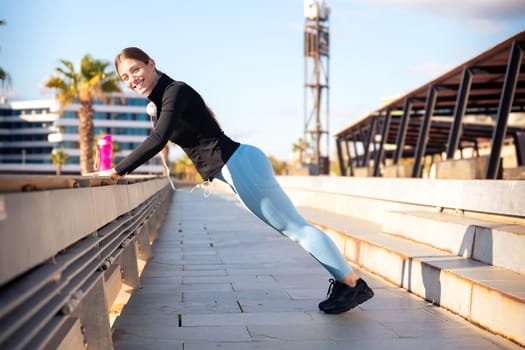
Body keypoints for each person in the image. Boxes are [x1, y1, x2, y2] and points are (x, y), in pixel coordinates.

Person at [97, 47, 374, 314]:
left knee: (296, 228)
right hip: (237, 166)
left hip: (240, 165)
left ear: (150, 64)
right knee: (293, 228)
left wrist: (117, 170)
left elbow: (158, 140)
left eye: (136, 69)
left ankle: (352, 285)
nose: (132, 79)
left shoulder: (174, 91)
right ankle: (345, 284)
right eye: (125, 77)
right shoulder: (161, 99)